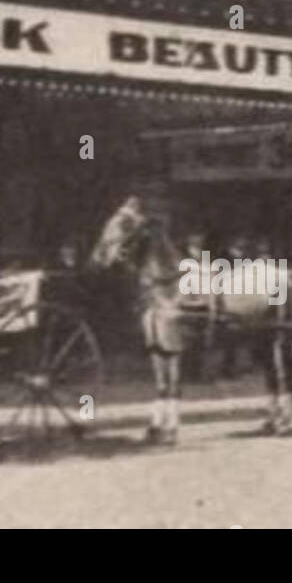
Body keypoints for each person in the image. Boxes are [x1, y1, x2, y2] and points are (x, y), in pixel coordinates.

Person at [92, 190, 185, 445]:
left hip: (167, 300)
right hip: (154, 297)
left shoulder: (149, 235)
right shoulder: (129, 226)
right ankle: (158, 421)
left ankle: (172, 423)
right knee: (158, 357)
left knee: (171, 359)